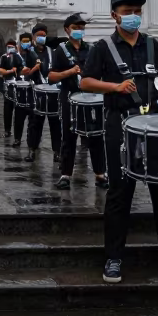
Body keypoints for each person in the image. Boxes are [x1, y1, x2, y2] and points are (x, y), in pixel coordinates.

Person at [81, 0, 158, 283]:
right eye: (128, 10)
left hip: (155, 126)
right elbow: (85, 81)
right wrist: (114, 87)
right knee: (120, 194)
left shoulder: (152, 45)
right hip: (119, 125)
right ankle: (113, 258)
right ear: (114, 15)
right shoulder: (103, 47)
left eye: (137, 10)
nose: (133, 15)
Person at [52, 13, 107, 190]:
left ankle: (100, 174)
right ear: (67, 30)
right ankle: (65, 174)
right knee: (69, 136)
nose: (79, 30)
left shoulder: (91, 49)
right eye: (76, 27)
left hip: (90, 98)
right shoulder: (61, 50)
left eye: (81, 27)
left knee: (96, 135)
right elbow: (51, 76)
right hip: (69, 98)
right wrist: (69, 72)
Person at [18, 31, 57, 163]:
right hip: (36, 92)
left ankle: (57, 152)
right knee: (35, 123)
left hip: (52, 91)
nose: (42, 37)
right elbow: (25, 70)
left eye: (45, 34)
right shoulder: (30, 52)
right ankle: (32, 150)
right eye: (39, 34)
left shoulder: (52, 51)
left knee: (55, 122)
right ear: (34, 37)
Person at [0, 38, 25, 145]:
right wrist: (9, 71)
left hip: (20, 84)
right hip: (8, 83)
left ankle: (18, 134)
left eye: (12, 46)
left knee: (18, 109)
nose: (10, 48)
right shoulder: (4, 57)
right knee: (7, 108)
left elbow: (24, 68)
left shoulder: (20, 57)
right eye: (9, 46)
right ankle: (7, 130)